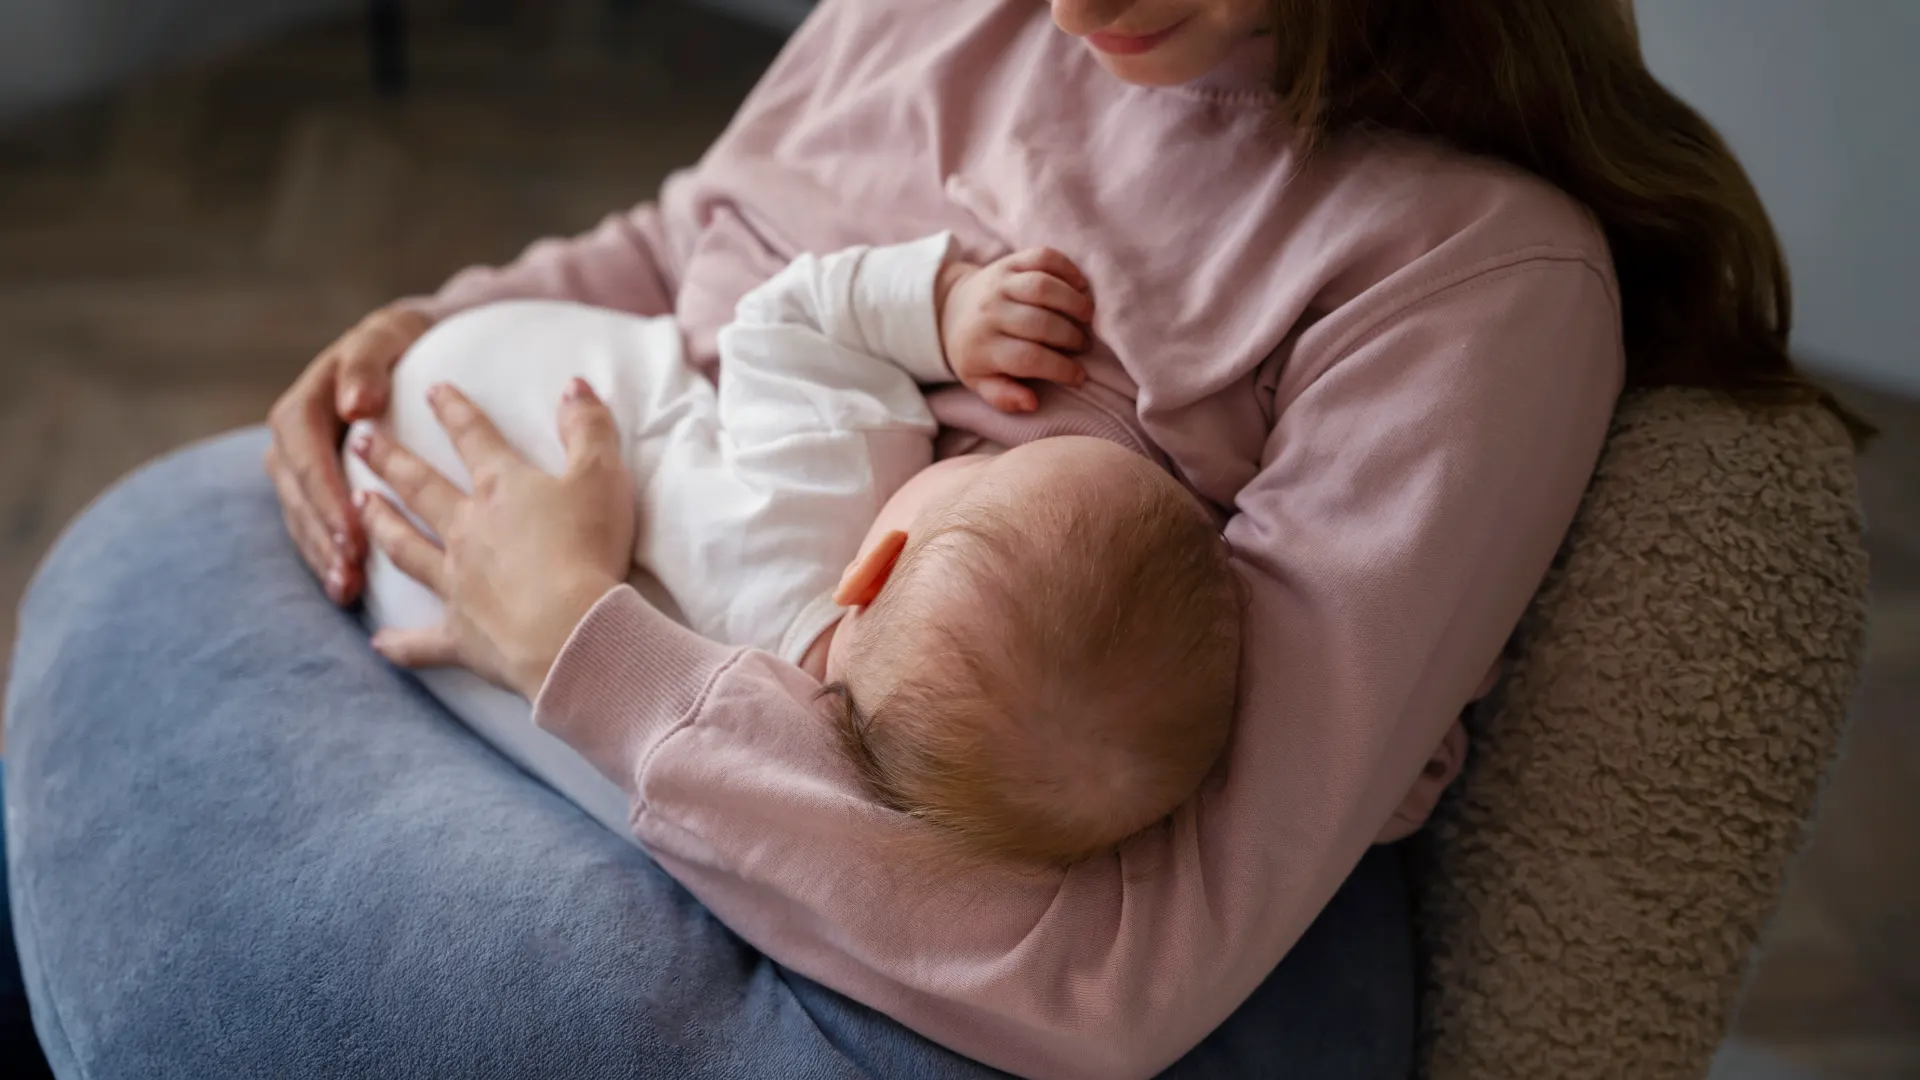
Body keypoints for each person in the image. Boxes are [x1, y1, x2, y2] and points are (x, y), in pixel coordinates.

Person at [4, 0, 1830, 1076]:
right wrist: (428, 336)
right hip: (640, 561)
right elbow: (685, 243)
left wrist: (576, 633)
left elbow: (1138, 964)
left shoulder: (1463, 280)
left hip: (827, 793)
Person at [347, 234, 1246, 864]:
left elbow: (784, 318)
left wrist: (942, 311)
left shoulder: (831, 480)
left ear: (874, 564)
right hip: (432, 604)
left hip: (463, 401)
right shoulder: (773, 751)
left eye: (986, 471)